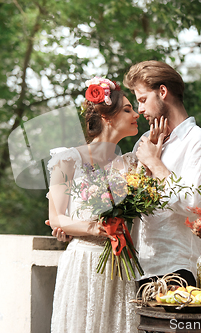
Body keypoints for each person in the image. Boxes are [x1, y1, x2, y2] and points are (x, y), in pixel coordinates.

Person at [47, 77, 141, 333]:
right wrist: (93, 228)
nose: (137, 114)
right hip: (83, 263)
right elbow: (57, 219)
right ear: (107, 117)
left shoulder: (131, 165)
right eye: (128, 109)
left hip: (120, 264)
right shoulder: (66, 160)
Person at [123, 60, 201, 288]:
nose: (141, 110)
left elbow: (193, 205)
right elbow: (133, 205)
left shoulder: (199, 141)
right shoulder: (146, 143)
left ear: (163, 92)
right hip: (139, 268)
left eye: (143, 100)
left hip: (177, 269)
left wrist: (156, 165)